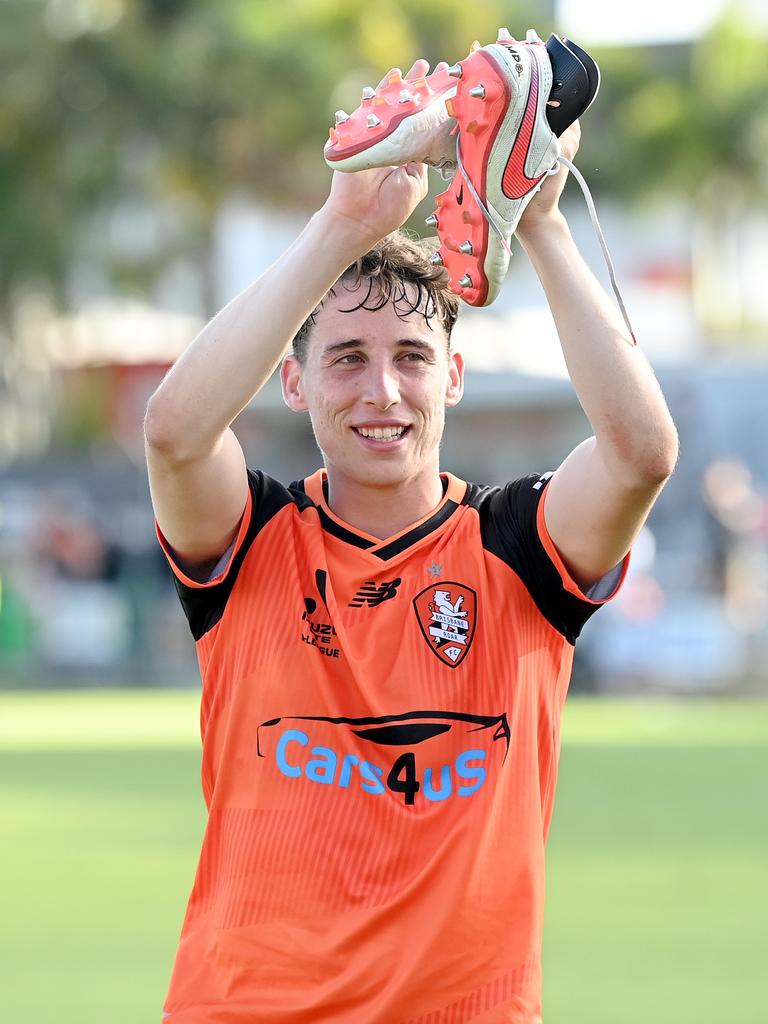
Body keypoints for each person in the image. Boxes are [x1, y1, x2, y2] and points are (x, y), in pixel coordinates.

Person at [144, 51, 678, 1024]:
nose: (381, 391)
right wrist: (342, 224)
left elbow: (641, 453)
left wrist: (543, 220)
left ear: (455, 376)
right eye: (345, 358)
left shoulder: (515, 547)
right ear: (294, 382)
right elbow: (175, 431)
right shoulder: (253, 534)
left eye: (411, 359)